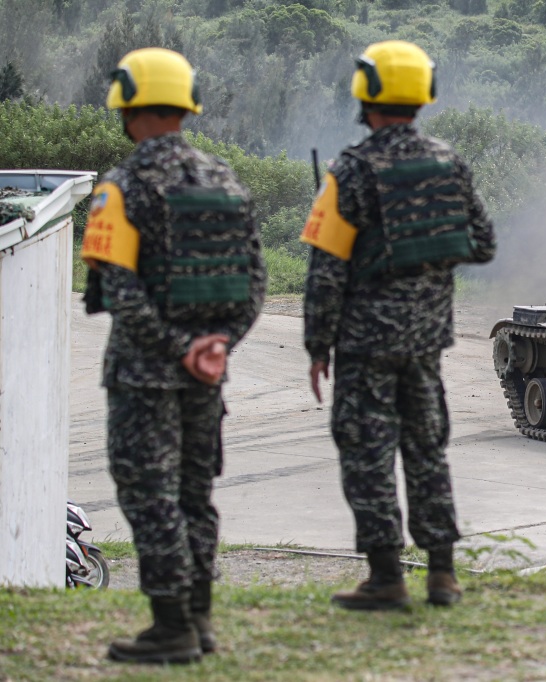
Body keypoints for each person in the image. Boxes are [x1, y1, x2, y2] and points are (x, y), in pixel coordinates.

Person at [80, 47, 265, 664]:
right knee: (193, 495)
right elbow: (254, 282)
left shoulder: (120, 187)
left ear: (129, 109)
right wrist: (216, 346)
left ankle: (170, 626)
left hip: (143, 377)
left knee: (147, 494)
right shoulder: (226, 181)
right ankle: (201, 619)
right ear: (185, 108)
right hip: (206, 377)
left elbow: (121, 293)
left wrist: (177, 348)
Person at [301, 40, 496, 611]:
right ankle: (442, 574)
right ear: (423, 95)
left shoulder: (351, 171)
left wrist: (317, 344)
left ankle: (386, 576)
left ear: (366, 93)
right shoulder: (449, 165)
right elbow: (482, 245)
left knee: (367, 452)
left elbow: (327, 268)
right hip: (426, 340)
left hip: (365, 342)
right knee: (426, 450)